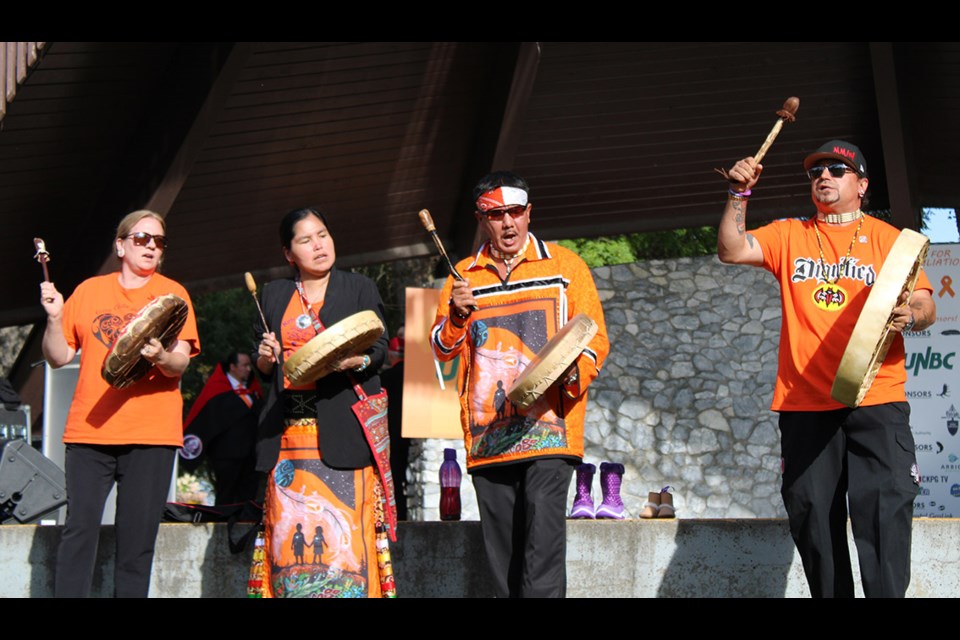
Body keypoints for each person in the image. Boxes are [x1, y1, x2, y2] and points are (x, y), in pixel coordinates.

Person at [718, 140, 937, 597]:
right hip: (806, 403)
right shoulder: (789, 233)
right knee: (813, 515)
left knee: (885, 514)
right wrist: (739, 195)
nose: (825, 176)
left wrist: (911, 316)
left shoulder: (889, 240)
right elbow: (732, 248)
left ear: (862, 183)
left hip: (876, 398)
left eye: (838, 169)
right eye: (817, 171)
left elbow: (923, 300)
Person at [430, 171, 609, 598]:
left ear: (529, 214)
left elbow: (594, 338)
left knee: (542, 553)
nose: (508, 224)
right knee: (500, 562)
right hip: (488, 436)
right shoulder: (463, 279)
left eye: (515, 212)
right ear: (481, 220)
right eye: (496, 215)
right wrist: (456, 316)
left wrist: (565, 377)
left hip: (552, 431)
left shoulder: (566, 267)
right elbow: (441, 351)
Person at [40, 209, 200, 598]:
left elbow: (181, 361)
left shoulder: (173, 293)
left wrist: (161, 356)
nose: (150, 246)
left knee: (137, 543)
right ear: (120, 245)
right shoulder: (90, 291)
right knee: (78, 533)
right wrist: (53, 318)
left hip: (151, 435)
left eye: (158, 241)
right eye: (142, 238)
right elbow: (58, 356)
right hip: (90, 433)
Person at [252, 207, 394, 598]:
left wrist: (358, 360)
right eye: (305, 240)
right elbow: (265, 370)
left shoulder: (358, 287)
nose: (318, 245)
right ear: (288, 253)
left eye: (323, 235)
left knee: (349, 538)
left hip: (344, 433)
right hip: (287, 441)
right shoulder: (272, 294)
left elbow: (380, 349)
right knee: (287, 537)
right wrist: (266, 357)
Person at [181, 351, 262, 505]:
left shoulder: (253, 390)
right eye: (244, 365)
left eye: (249, 365)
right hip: (226, 455)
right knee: (226, 495)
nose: (248, 369)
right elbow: (205, 419)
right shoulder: (217, 390)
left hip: (251, 455)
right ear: (232, 367)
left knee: (248, 496)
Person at [380, 329, 410, 520]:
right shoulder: (413, 376)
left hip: (392, 433)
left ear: (391, 354)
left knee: (395, 478)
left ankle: (397, 517)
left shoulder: (385, 379)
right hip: (413, 434)